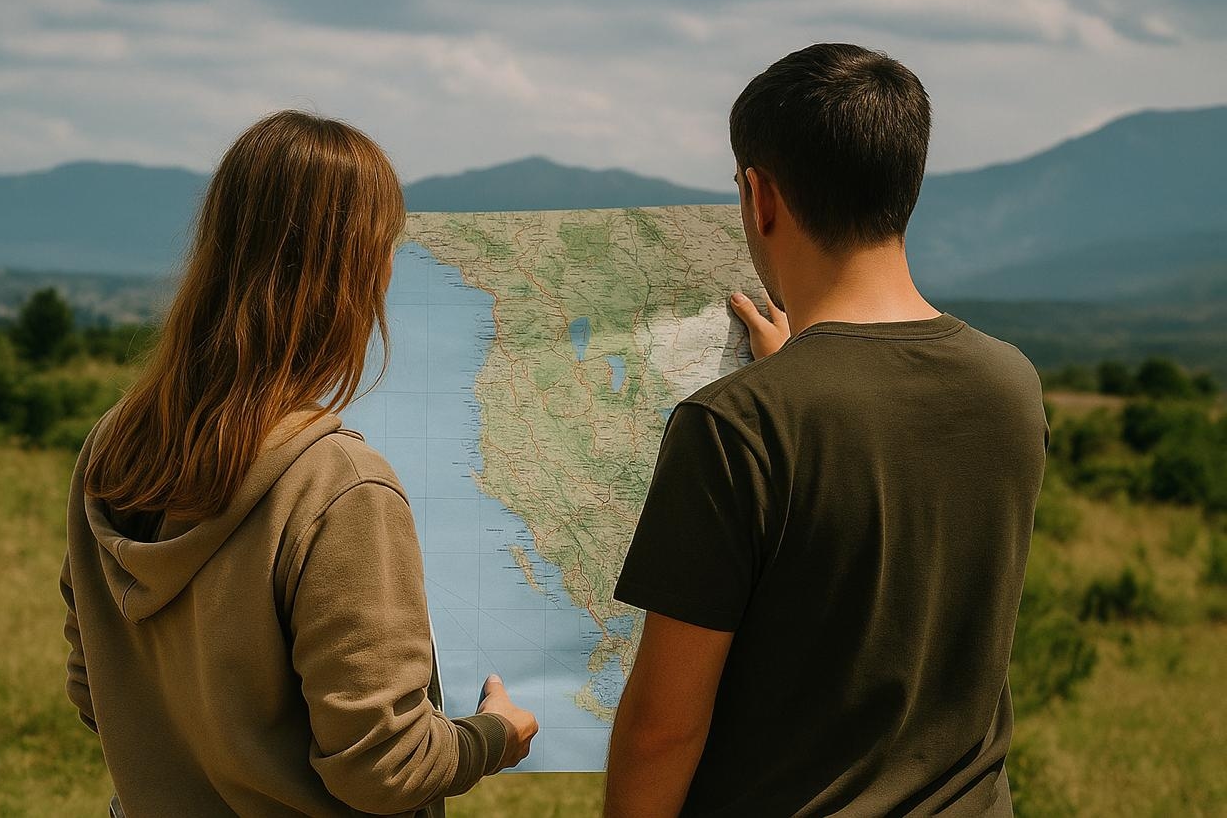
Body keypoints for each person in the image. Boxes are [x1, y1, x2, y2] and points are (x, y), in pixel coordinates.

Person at [604, 44, 1048, 817]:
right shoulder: (1013, 383)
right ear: (906, 184)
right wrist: (800, 368)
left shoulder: (734, 423)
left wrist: (784, 385)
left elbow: (663, 731)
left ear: (760, 195)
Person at [59, 110, 538, 818]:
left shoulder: (113, 445)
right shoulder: (339, 486)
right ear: (355, 273)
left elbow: (91, 686)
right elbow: (383, 767)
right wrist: (495, 733)